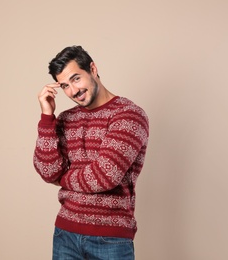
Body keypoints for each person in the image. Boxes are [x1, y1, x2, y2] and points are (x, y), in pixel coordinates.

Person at [33, 45, 149, 260]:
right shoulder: (66, 118)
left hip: (110, 239)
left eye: (76, 79)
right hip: (65, 234)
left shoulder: (128, 115)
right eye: (65, 86)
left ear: (93, 69)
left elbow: (103, 177)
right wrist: (47, 117)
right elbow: (48, 171)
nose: (73, 91)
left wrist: (63, 178)